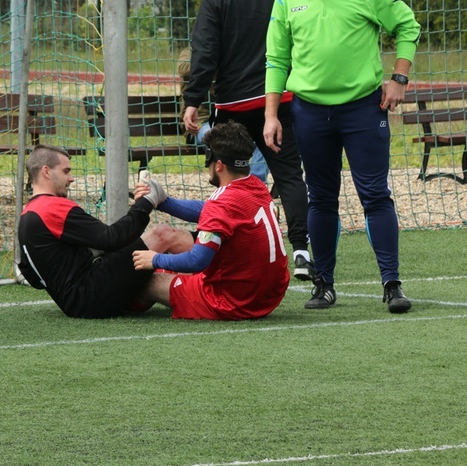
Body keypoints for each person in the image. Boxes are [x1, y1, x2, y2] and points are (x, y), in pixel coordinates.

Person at [263, 0, 420, 313]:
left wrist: (400, 78)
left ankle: (392, 284)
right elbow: (276, 59)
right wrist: (271, 115)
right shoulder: (285, 2)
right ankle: (324, 285)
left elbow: (407, 26)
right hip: (309, 111)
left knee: (375, 195)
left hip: (363, 109)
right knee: (320, 197)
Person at [181, 0, 314, 282]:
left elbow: (205, 52)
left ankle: (227, 242)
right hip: (279, 98)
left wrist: (193, 99)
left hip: (234, 104)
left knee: (227, 178)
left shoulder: (215, 4)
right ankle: (301, 251)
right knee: (290, 176)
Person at [132, 122, 290, 321]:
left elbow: (196, 261)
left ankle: (116, 307)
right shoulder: (255, 186)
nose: (206, 166)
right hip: (269, 295)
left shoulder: (222, 203)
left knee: (146, 282)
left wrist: (154, 259)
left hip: (232, 301)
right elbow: (210, 211)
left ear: (219, 165)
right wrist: (163, 201)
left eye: (208, 159)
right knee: (166, 237)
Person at [17, 144, 192, 319]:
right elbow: (111, 238)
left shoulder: (28, 214)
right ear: (46, 171)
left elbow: (31, 275)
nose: (71, 178)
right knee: (161, 234)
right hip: (92, 295)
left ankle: (187, 294)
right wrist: (147, 202)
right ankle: (217, 253)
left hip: (76, 304)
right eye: (66, 171)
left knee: (150, 276)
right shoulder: (51, 208)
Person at [177, 45, 270, 185]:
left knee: (264, 137)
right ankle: (230, 187)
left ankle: (255, 183)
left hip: (228, 120)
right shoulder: (191, 50)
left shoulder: (231, 51)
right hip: (198, 124)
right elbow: (183, 69)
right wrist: (214, 60)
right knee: (222, 139)